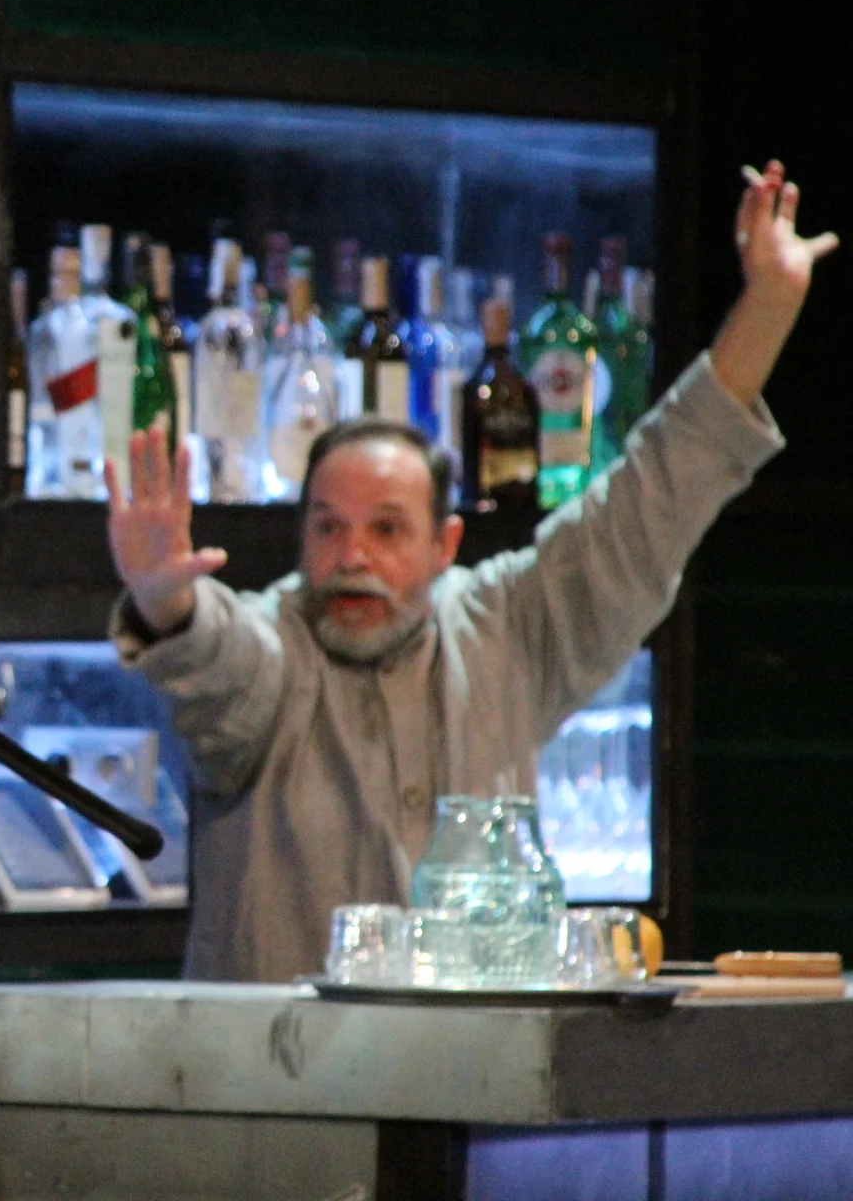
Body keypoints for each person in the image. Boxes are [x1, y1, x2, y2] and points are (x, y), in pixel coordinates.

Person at [105, 161, 838, 983]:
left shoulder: (506, 628)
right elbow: (215, 668)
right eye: (328, 527)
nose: (352, 556)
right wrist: (166, 602)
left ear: (445, 544)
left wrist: (770, 304)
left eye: (387, 529)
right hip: (279, 1064)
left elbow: (652, 499)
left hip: (480, 1061)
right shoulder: (272, 644)